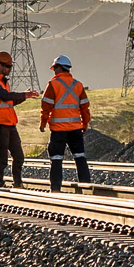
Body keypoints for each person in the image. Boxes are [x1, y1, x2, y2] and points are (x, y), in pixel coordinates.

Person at [0, 51, 40, 188]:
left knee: (19, 156)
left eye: (10, 66)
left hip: (10, 123)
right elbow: (5, 96)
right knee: (2, 157)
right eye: (8, 66)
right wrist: (24, 94)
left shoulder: (4, 83)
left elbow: (9, 101)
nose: (10, 69)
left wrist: (24, 97)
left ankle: (17, 183)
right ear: (0, 66)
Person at [39, 54, 93, 191]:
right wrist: (85, 124)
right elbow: (85, 108)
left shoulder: (53, 85)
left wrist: (43, 123)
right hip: (76, 129)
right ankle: (86, 187)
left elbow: (46, 107)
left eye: (54, 68)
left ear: (58, 68)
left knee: (56, 159)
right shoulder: (78, 85)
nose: (54, 71)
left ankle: (56, 189)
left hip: (58, 130)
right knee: (80, 157)